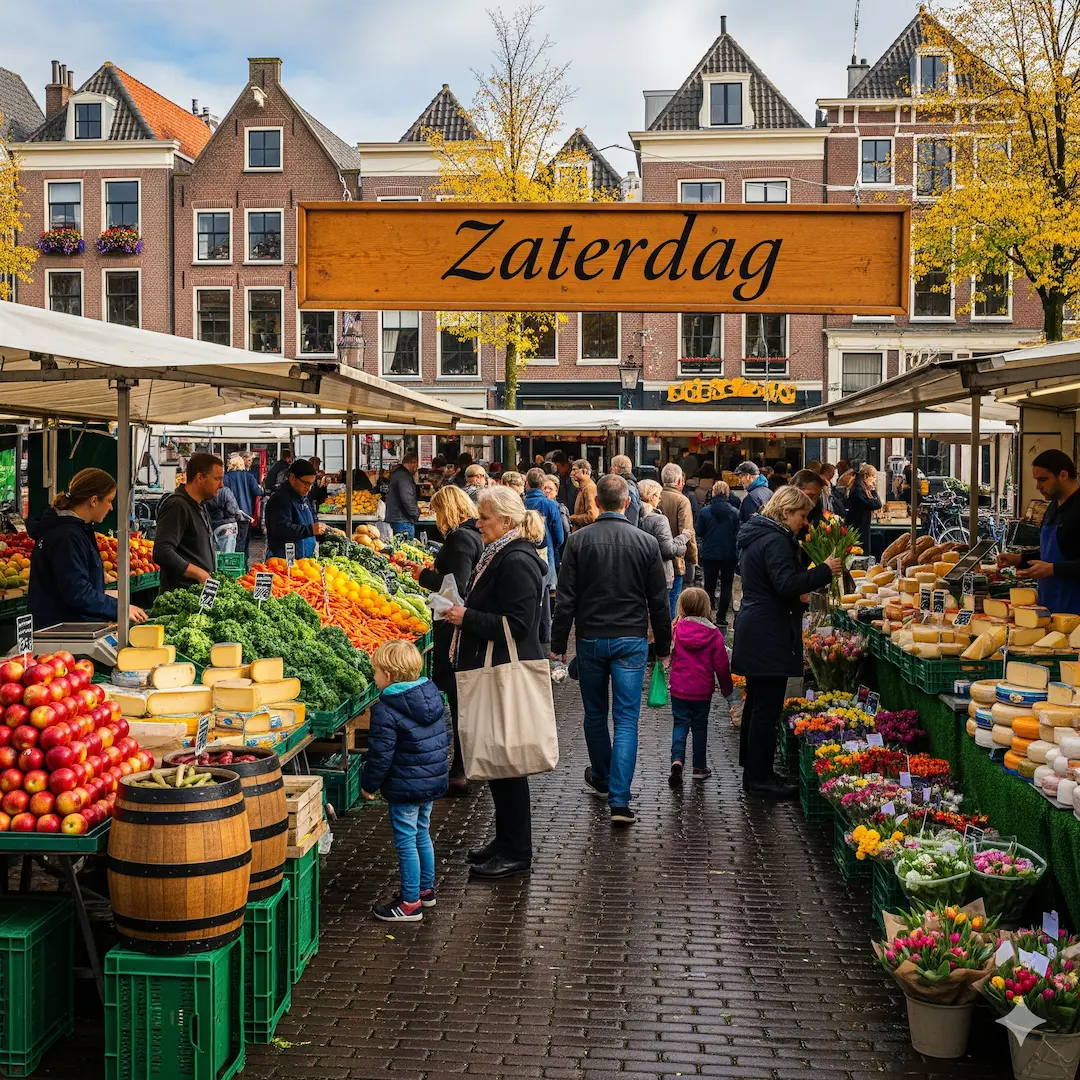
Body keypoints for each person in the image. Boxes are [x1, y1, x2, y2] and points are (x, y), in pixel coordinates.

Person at [551, 475, 671, 826]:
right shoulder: (646, 542)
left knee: (594, 713)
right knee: (626, 719)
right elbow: (658, 601)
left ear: (597, 503)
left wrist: (558, 645)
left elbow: (566, 599)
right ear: (628, 502)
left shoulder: (578, 541)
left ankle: (602, 777)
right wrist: (664, 647)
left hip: (590, 637)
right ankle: (620, 800)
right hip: (631, 639)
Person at [444, 487, 546, 879]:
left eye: (484, 517)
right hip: (493, 669)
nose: (478, 523)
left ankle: (517, 851)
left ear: (505, 520)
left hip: (504, 672)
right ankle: (505, 840)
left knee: (509, 764)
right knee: (499, 762)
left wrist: (466, 617)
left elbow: (519, 625)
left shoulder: (516, 559)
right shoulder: (500, 552)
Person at [733, 486, 841, 798]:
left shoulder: (758, 535)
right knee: (766, 708)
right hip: (769, 631)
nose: (804, 522)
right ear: (785, 512)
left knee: (757, 704)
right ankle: (760, 779)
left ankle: (755, 771)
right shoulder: (776, 540)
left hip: (757, 626)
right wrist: (824, 570)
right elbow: (785, 584)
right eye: (801, 515)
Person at [360, 640, 448, 923]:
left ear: (387, 675)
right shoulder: (431, 696)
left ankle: (410, 903)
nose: (374, 677)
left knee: (406, 841)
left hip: (405, 785)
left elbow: (380, 756)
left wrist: (369, 785)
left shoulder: (386, 709)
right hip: (429, 782)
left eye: (375, 672)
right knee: (422, 833)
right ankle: (425, 890)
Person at [416, 486, 483, 795]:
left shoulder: (460, 538)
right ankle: (466, 763)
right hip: (459, 625)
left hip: (455, 628)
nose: (436, 519)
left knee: (459, 698)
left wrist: (423, 575)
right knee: (462, 699)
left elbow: (456, 586)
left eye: (437, 512)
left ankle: (461, 768)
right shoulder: (472, 535)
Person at [28, 468, 148, 627]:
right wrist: (119, 608)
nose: (111, 507)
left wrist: (104, 593)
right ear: (94, 501)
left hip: (68, 624)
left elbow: (67, 584)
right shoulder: (67, 536)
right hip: (63, 629)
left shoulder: (72, 530)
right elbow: (77, 592)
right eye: (109, 500)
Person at [998, 449, 1080, 613]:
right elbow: (1050, 553)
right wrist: (1019, 559)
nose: (1038, 487)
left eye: (1043, 479)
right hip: (1050, 606)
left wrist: (1053, 569)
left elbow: (1053, 564)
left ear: (1063, 475)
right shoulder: (1052, 508)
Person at [667, 586, 734, 786]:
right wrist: (727, 690)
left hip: (679, 689)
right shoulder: (713, 634)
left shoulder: (677, 629)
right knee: (699, 728)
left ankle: (677, 759)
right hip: (702, 691)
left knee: (680, 724)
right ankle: (699, 767)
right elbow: (722, 665)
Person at [154, 452, 221, 594]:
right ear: (199, 478)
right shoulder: (177, 506)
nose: (222, 485)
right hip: (180, 596)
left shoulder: (200, 504)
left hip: (198, 594)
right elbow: (162, 552)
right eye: (217, 479)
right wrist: (199, 574)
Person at [264, 459, 328, 559]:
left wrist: (326, 531)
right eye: (306, 483)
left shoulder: (304, 497)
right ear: (292, 478)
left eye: (311, 484)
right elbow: (281, 529)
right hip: (284, 561)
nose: (309, 488)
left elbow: (312, 521)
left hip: (304, 561)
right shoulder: (280, 499)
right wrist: (310, 530)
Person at [639, 479, 689, 607]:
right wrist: (683, 542)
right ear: (651, 497)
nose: (660, 499)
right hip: (660, 573)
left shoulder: (635, 516)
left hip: (640, 573)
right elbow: (668, 550)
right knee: (665, 610)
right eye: (658, 495)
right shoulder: (659, 520)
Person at [696, 481, 740, 627]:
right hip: (729, 553)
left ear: (713, 492)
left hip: (710, 553)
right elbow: (738, 533)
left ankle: (707, 614)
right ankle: (721, 617)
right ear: (727, 494)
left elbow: (699, 531)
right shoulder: (735, 512)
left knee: (709, 585)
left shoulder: (705, 512)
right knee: (727, 585)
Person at [659, 464, 698, 618]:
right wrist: (693, 558)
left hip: (655, 557)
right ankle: (670, 631)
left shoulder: (654, 496)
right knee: (673, 601)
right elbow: (687, 532)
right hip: (675, 558)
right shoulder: (682, 500)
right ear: (680, 481)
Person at [524, 468, 564, 586]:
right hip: (547, 554)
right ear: (543, 485)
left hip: (524, 554)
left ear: (527, 484)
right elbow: (559, 536)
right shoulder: (550, 504)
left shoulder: (520, 503)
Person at [223, 454, 262, 559]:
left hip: (229, 514)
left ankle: (233, 562)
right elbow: (257, 492)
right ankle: (243, 563)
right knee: (243, 540)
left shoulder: (225, 477)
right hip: (245, 513)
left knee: (230, 541)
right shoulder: (248, 476)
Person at [385, 453, 421, 538]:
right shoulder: (404, 477)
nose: (416, 469)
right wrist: (416, 513)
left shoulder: (398, 473)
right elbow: (407, 499)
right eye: (416, 466)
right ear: (413, 463)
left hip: (397, 518)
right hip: (403, 520)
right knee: (406, 545)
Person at [845, 463, 881, 545]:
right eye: (873, 477)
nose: (874, 480)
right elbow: (877, 504)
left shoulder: (860, 488)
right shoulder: (858, 491)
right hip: (859, 528)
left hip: (860, 526)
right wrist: (874, 492)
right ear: (866, 477)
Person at [208, 481, 245, 554]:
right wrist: (237, 517)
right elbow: (233, 510)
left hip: (212, 526)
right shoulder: (225, 491)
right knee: (228, 555)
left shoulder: (206, 493)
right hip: (227, 526)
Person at [542, 475, 571, 559]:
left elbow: (565, 532)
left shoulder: (561, 509)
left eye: (550, 489)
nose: (547, 491)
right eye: (544, 488)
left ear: (556, 491)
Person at [610, 455, 642, 527]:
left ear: (615, 469)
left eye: (611, 468)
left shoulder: (627, 487)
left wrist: (629, 529)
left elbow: (633, 512)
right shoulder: (631, 484)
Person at [568, 459, 598, 531]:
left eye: (575, 470)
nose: (572, 473)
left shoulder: (589, 488)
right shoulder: (583, 488)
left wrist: (572, 518)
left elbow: (592, 516)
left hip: (586, 532)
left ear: (584, 471)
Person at [550, 450, 577, 516]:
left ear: (565, 464)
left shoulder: (575, 476)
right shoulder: (561, 477)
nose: (557, 470)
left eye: (558, 467)